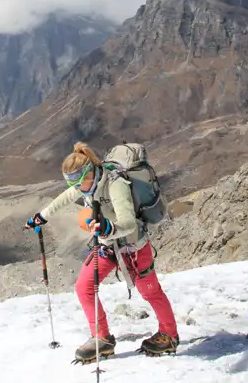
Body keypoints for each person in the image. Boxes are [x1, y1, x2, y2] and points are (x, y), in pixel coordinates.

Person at [24, 141, 179, 363]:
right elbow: (65, 197)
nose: (77, 188)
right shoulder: (87, 183)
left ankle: (169, 334)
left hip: (133, 246)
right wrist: (42, 216)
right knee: (84, 287)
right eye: (73, 183)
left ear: (90, 172)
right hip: (108, 246)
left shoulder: (116, 185)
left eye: (79, 182)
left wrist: (108, 228)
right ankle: (101, 337)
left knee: (150, 292)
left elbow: (128, 222)